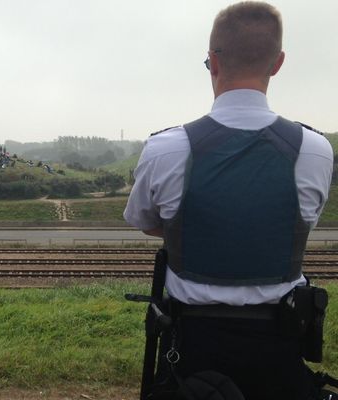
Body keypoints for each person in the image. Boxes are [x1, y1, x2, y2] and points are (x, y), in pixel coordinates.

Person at [123, 2, 333, 399]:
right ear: (278, 63)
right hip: (280, 348)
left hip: (192, 349)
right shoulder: (315, 150)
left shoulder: (165, 148)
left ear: (212, 63)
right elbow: (294, 226)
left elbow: (148, 222)